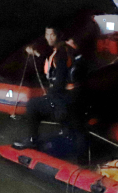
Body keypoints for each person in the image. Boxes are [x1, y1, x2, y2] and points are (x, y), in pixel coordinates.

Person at [14, 23, 88, 163]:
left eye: (52, 34)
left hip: (66, 99)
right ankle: (81, 158)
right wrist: (36, 54)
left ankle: (32, 139)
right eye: (47, 34)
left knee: (33, 105)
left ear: (59, 35)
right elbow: (52, 65)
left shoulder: (60, 54)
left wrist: (50, 97)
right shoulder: (66, 49)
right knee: (77, 128)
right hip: (76, 97)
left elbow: (59, 80)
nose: (48, 38)